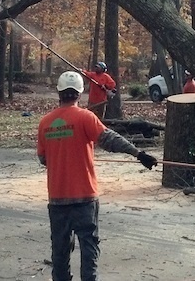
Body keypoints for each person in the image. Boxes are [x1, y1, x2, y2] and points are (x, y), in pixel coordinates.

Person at [37, 71, 158, 281]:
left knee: (60, 248)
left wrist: (61, 155)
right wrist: (138, 153)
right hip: (84, 197)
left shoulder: (45, 123)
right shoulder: (85, 117)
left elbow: (43, 159)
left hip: (57, 198)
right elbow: (110, 139)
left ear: (59, 92)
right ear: (79, 93)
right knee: (89, 245)